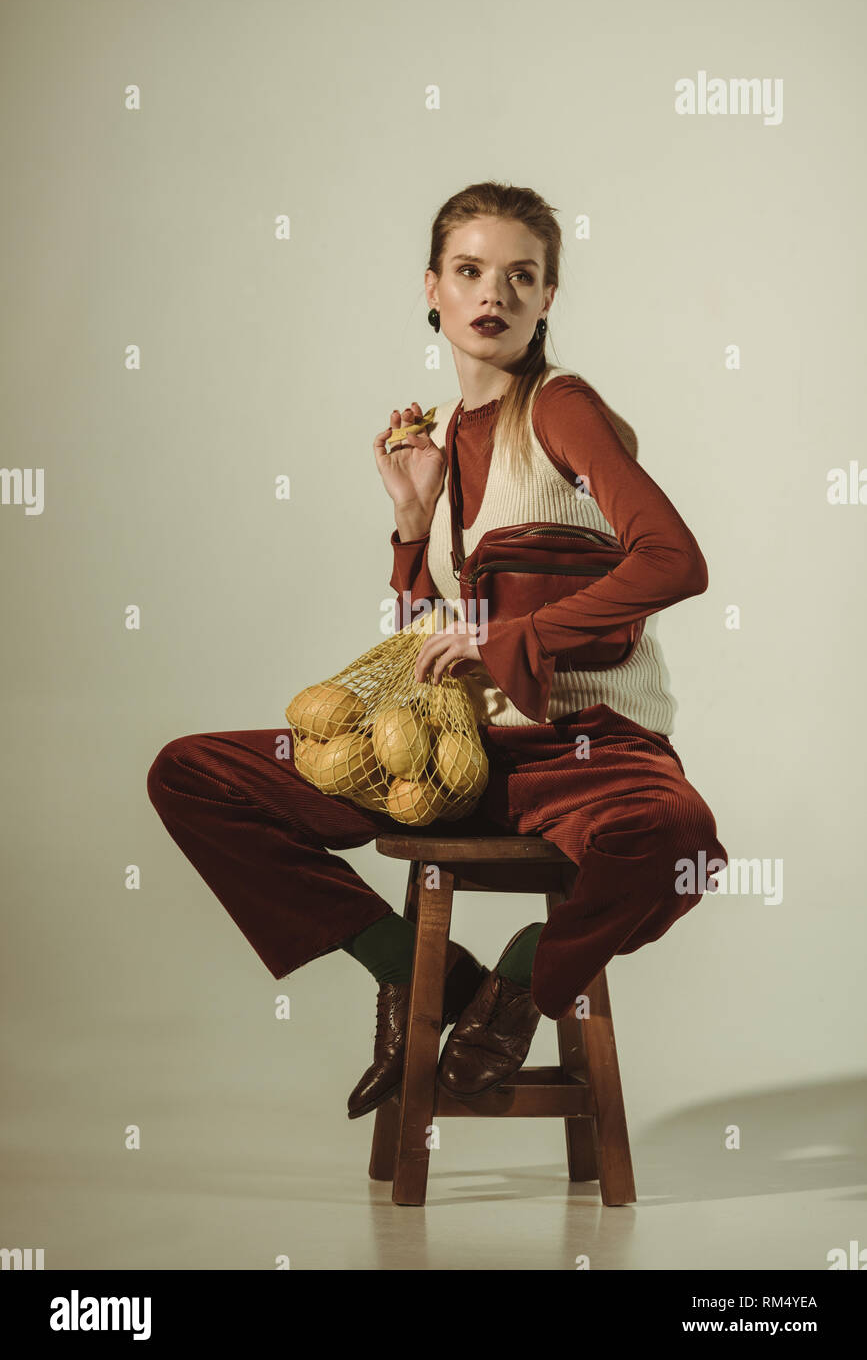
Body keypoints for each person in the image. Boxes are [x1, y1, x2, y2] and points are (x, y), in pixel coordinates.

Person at [146, 180, 728, 1123]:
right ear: (433, 287)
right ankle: (420, 977)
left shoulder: (560, 409)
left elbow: (676, 560)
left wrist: (518, 636)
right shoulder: (444, 438)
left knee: (674, 840)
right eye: (469, 271)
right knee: (193, 774)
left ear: (546, 300)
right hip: (464, 756)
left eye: (519, 275)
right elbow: (426, 645)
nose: (491, 293)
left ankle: (513, 992)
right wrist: (412, 526)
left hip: (587, 750)